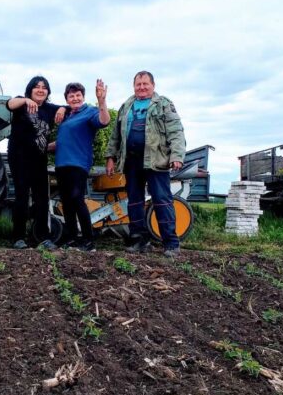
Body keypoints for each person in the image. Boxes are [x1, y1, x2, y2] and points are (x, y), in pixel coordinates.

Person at [104, 71, 186, 257]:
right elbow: (115, 136)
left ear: (153, 85)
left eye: (145, 84)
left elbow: (176, 132)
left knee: (162, 200)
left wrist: (177, 156)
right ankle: (139, 241)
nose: (141, 87)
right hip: (131, 162)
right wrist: (110, 157)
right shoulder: (126, 106)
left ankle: (171, 243)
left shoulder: (164, 104)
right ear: (134, 86)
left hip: (156, 161)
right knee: (134, 202)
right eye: (138, 84)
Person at [6, 76, 64, 250]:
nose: (40, 90)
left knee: (42, 199)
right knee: (22, 197)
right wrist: (25, 100)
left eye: (44, 87)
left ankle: (43, 238)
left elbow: (69, 109)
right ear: (30, 90)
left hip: (39, 160)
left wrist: (61, 108)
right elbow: (9, 104)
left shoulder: (49, 109)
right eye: (37, 87)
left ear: (48, 92)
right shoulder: (22, 104)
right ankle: (18, 238)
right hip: (19, 158)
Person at [53, 80, 110, 252]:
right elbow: (63, 141)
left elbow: (104, 120)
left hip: (78, 163)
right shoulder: (67, 116)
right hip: (62, 163)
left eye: (78, 95)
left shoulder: (90, 112)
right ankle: (71, 238)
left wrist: (101, 101)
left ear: (83, 97)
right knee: (67, 202)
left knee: (77, 199)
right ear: (67, 99)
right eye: (71, 96)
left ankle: (88, 240)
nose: (75, 98)